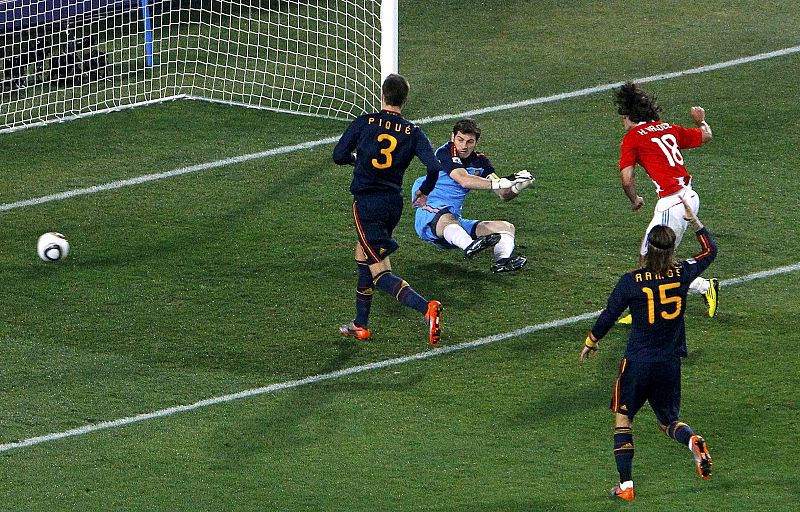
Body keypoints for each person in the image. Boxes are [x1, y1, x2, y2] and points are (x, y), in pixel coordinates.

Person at [580, 197, 716, 501]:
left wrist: (591, 341)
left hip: (638, 363)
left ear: (646, 248)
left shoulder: (632, 281)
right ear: (671, 251)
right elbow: (710, 252)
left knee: (623, 418)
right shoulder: (682, 273)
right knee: (668, 422)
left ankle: (626, 486)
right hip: (669, 363)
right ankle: (692, 440)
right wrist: (695, 222)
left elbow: (609, 315)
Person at [333, 73, 443, 346]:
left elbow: (338, 156)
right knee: (363, 253)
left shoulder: (365, 122)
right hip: (393, 204)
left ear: (382, 95)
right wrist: (425, 190)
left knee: (379, 272)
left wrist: (355, 160)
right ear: (404, 100)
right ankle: (360, 325)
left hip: (367, 204)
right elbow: (434, 166)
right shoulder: (413, 132)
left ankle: (427, 308)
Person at [613, 82, 719, 323]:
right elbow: (706, 135)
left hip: (671, 203)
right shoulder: (667, 128)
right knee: (653, 259)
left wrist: (635, 199)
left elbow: (626, 179)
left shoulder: (632, 138)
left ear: (629, 116)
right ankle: (647, 304)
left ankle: (703, 287)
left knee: (651, 260)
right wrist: (700, 120)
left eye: (623, 118)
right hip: (689, 197)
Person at [411, 118, 533, 273]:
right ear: (452, 138)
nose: (464, 146)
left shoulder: (481, 162)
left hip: (454, 223)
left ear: (476, 143)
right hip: (430, 210)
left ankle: (502, 260)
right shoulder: (445, 152)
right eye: (460, 140)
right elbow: (463, 180)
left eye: (469, 141)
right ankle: (470, 246)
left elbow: (503, 194)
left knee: (506, 227)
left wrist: (518, 186)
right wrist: (502, 181)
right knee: (448, 219)